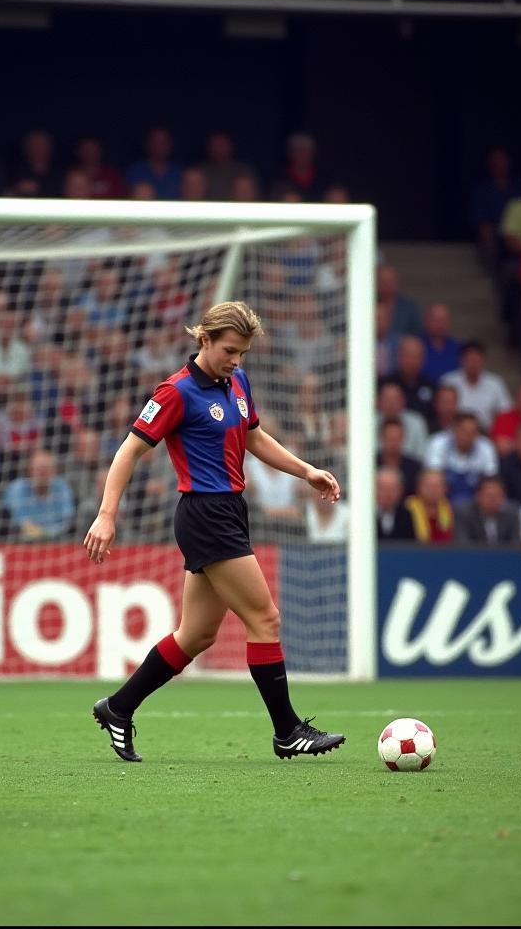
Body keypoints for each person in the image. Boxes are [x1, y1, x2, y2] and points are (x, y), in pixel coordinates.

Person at [84, 301, 345, 762]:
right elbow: (128, 452)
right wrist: (107, 514)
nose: (236, 360)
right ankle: (287, 731)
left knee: (196, 635)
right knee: (265, 619)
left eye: (242, 353)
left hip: (230, 510)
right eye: (229, 350)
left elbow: (254, 438)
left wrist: (306, 471)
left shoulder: (237, 382)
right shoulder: (175, 392)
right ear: (203, 339)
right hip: (205, 514)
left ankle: (119, 707)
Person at [453, 475, 520, 545]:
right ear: (478, 496)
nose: (493, 500)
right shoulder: (464, 514)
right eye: (489, 495)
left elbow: (515, 544)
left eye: (497, 495)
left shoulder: (512, 513)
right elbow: (463, 544)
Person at [375, 467, 416, 541]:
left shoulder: (407, 516)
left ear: (401, 491)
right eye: (383, 488)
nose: (388, 494)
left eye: (392, 489)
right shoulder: (364, 515)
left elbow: (411, 546)